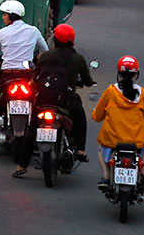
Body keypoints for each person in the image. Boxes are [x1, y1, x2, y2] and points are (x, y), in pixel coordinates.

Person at [12, 23, 93, 176]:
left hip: (43, 100)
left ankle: (21, 166)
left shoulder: (45, 56)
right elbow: (88, 81)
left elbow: (35, 78)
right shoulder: (77, 58)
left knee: (32, 130)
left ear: (54, 40)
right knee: (80, 115)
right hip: (65, 101)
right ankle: (81, 149)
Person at [0, 0, 48, 155]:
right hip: (27, 77)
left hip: (7, 77)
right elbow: (45, 51)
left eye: (4, 15)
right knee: (38, 106)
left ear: (11, 16)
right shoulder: (34, 31)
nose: (3, 18)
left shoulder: (2, 33)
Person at [92, 56, 144, 188]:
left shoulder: (110, 92)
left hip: (112, 141)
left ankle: (106, 177)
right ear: (137, 75)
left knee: (101, 151)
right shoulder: (142, 95)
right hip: (137, 142)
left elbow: (97, 116)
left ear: (118, 74)